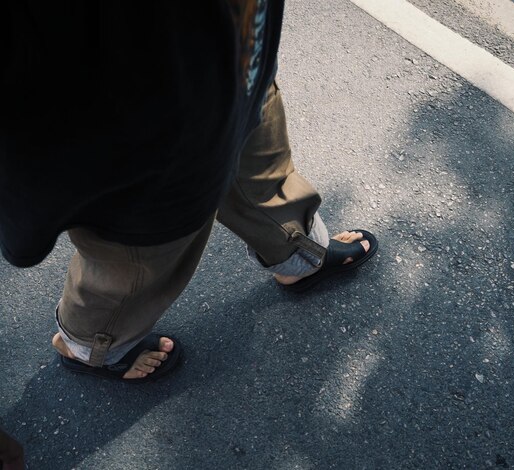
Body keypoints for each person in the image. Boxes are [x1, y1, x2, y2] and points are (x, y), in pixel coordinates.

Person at [1, 0, 377, 385]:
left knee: (260, 158)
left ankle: (296, 255)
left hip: (232, 46)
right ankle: (92, 345)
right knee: (136, 253)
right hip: (131, 106)